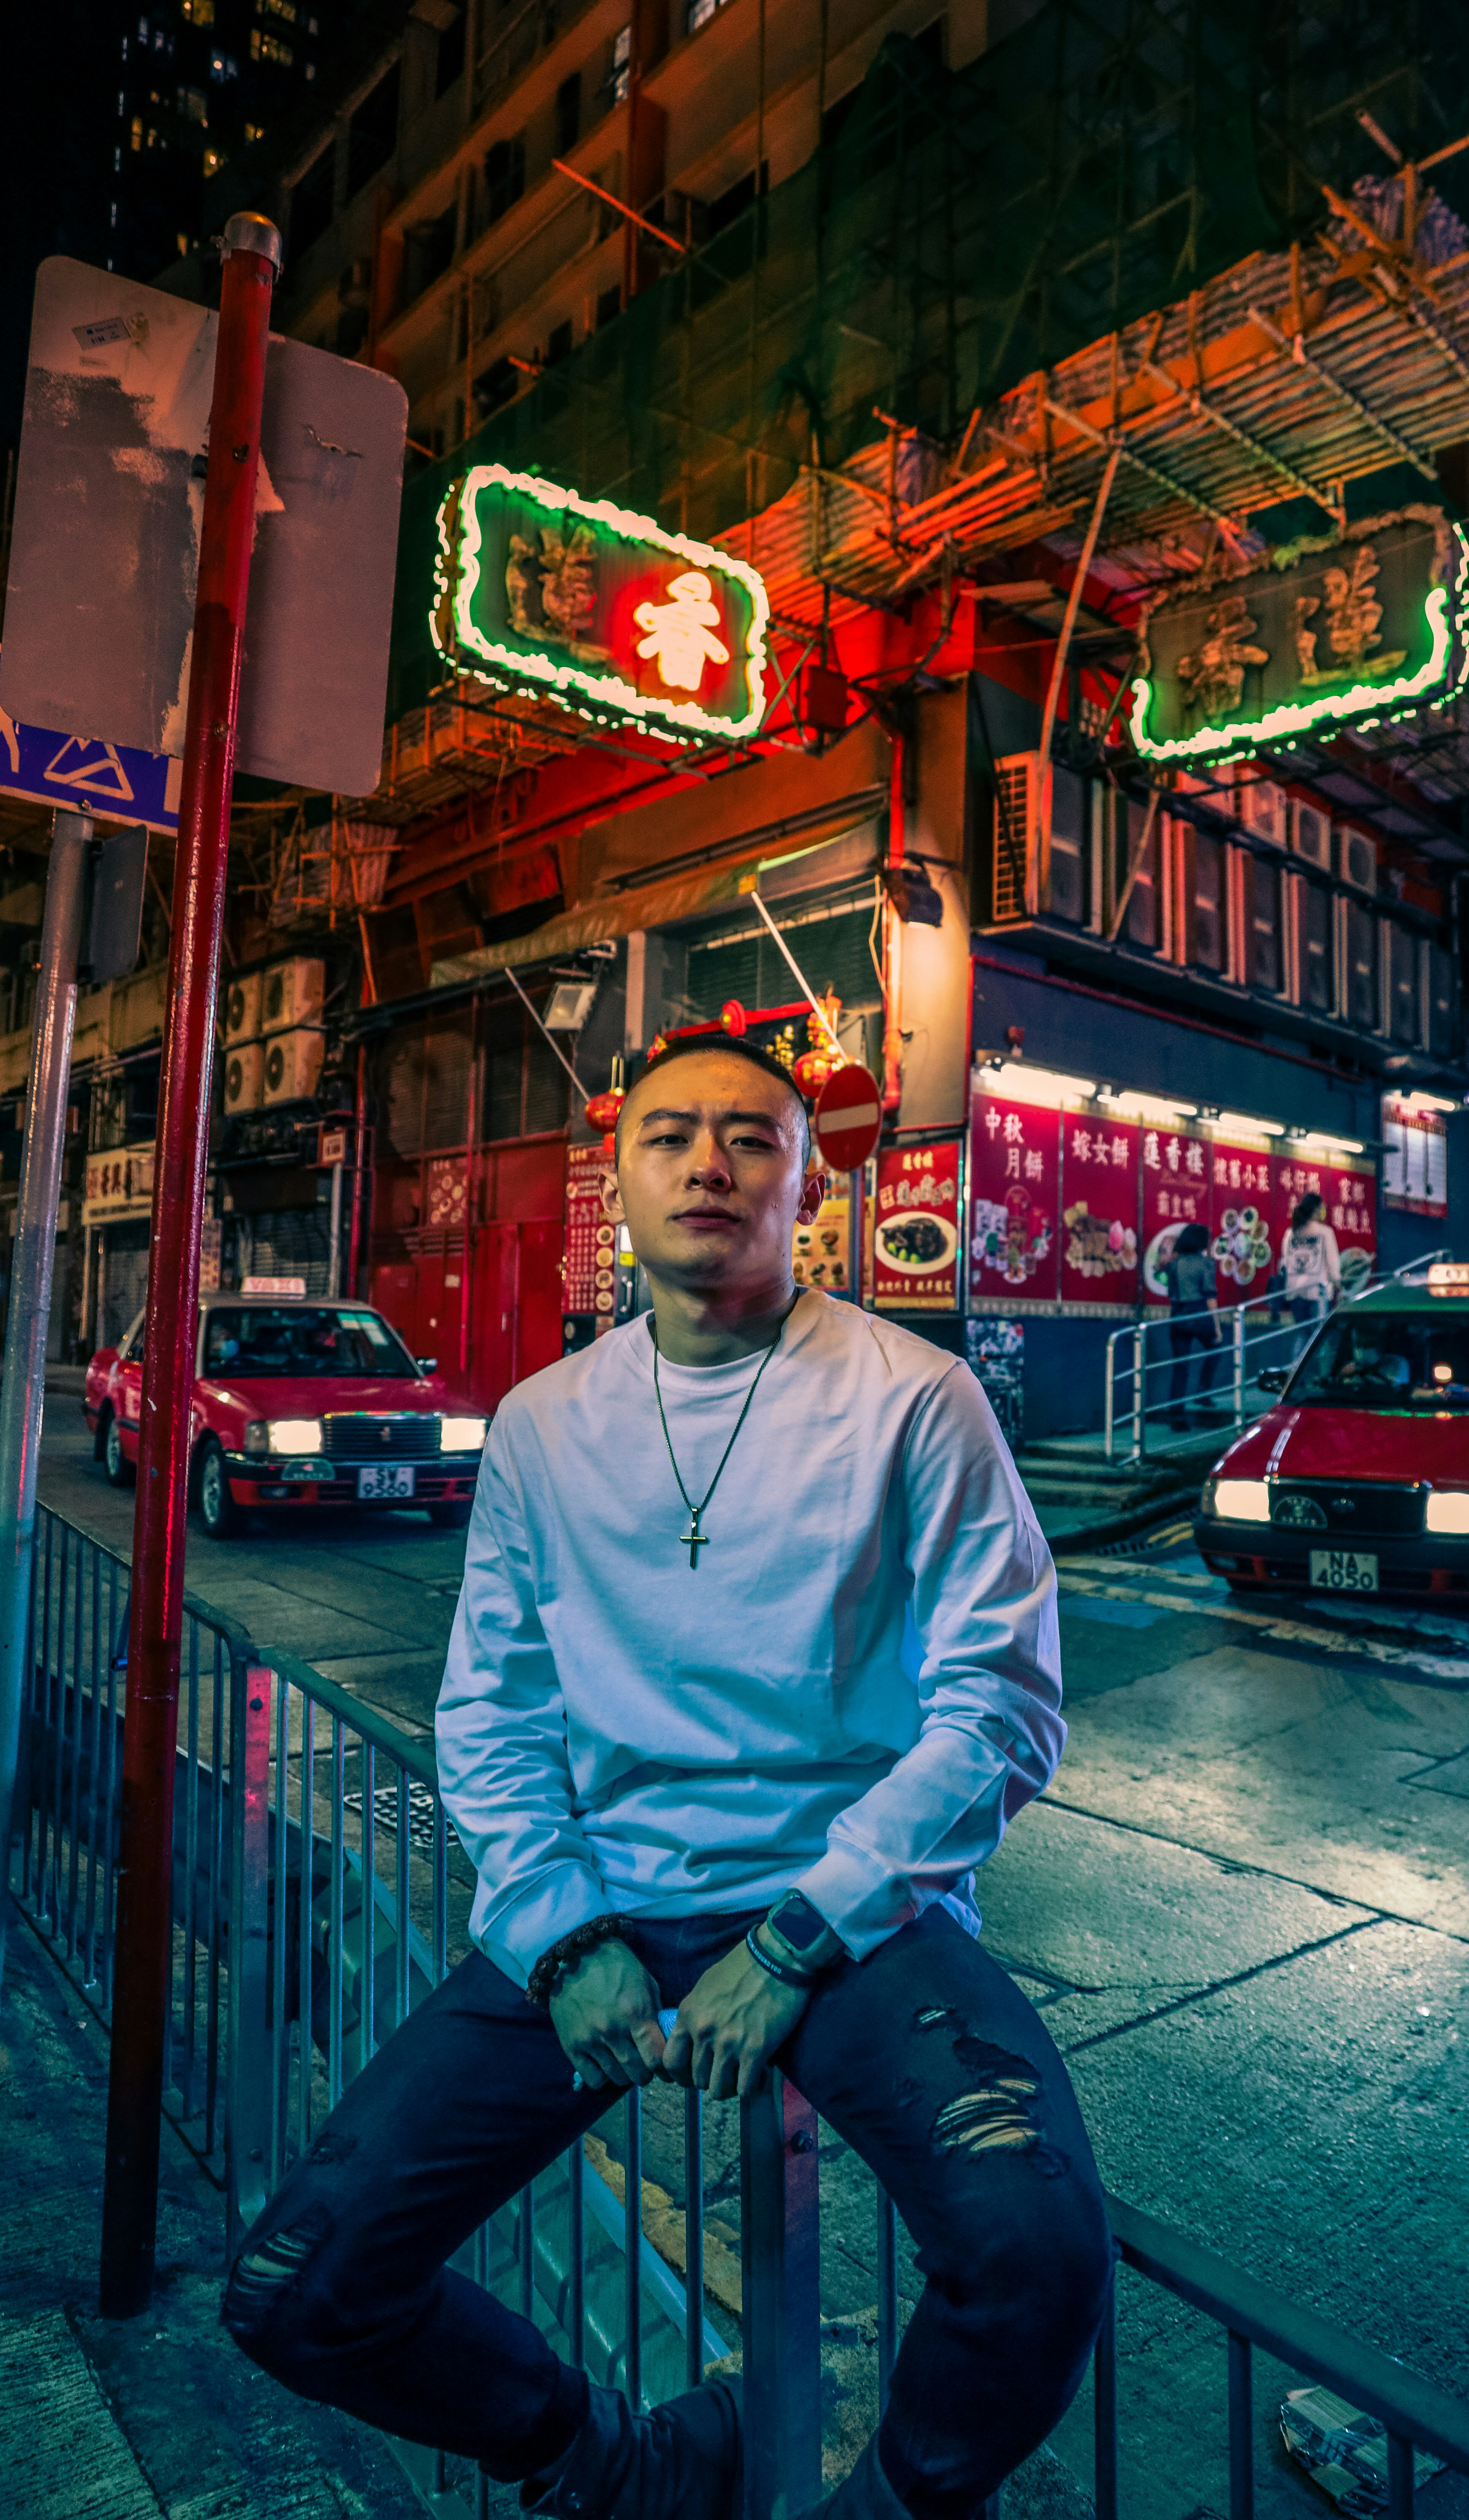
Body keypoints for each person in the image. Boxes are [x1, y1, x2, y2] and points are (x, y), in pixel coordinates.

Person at [222, 1031, 1111, 2520]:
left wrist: (796, 1938)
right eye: (669, 1137)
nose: (709, 1164)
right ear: (620, 1179)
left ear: (804, 1185)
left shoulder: (915, 1399)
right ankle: (613, 2466)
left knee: (1035, 2252)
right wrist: (564, 1939)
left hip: (850, 1922)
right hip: (599, 1909)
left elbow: (1000, 1710)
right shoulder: (545, 1426)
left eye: (750, 1139)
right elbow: (494, 1716)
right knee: (293, 2291)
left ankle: (877, 2509)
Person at [1161, 1221, 1222, 1430]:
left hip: (1177, 1316)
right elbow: (1210, 1298)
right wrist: (1218, 1328)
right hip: (1197, 1314)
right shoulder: (1206, 1263)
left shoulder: (1174, 1264)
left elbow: (1171, 1292)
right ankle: (1204, 1392)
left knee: (1181, 1367)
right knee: (1216, 1347)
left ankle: (1176, 1417)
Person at [1277, 1192, 1340, 1329]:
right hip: (1318, 1293)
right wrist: (1338, 1284)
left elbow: (1285, 1262)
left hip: (1294, 1293)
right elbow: (1333, 1263)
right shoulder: (1325, 1232)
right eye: (1322, 1208)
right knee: (1317, 1337)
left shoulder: (1291, 1233)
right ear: (1317, 1210)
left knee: (1301, 1333)